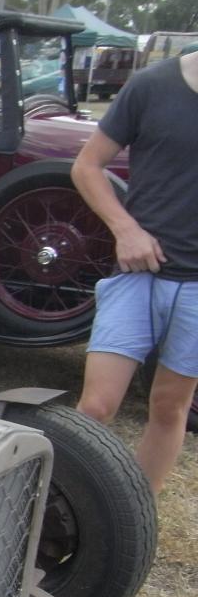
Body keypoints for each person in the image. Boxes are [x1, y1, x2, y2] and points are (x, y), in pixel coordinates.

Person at [70, 50, 198, 496]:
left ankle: (135, 520)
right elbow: (86, 165)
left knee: (169, 406)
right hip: (137, 272)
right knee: (96, 406)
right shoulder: (152, 85)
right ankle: (62, 511)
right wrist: (125, 229)